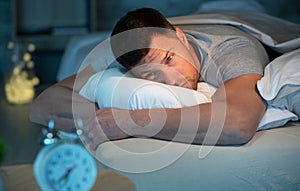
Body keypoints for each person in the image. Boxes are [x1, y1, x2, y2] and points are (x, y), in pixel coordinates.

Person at [30, 8, 269, 150]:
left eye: (169, 59)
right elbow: (42, 107)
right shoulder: (125, 57)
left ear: (180, 37)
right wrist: (100, 120)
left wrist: (132, 121)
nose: (172, 80)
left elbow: (238, 124)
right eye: (151, 75)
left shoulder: (231, 51)